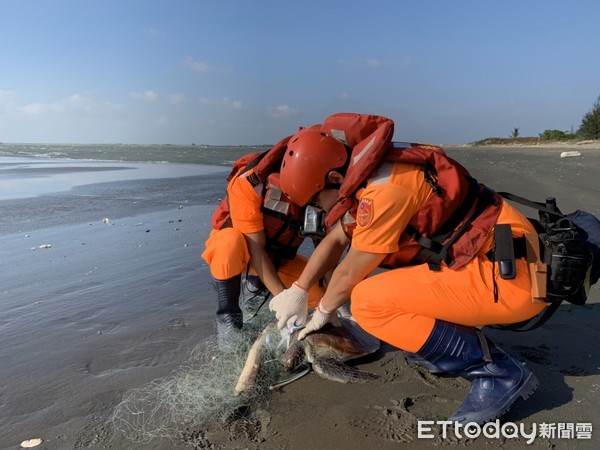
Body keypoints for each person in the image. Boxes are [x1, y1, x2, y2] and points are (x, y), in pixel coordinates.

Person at [269, 112, 548, 425]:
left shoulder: (384, 192)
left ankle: (496, 371)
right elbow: (336, 239)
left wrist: (321, 312)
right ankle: (445, 347)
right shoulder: (374, 171)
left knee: (367, 302)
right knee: (391, 289)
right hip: (499, 258)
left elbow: (349, 272)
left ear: (334, 179)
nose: (320, 210)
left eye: (318, 201)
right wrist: (299, 289)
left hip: (512, 279)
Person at [201, 130, 346, 350]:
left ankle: (258, 286)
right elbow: (256, 250)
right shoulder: (249, 183)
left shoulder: (322, 187)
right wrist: (284, 299)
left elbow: (325, 247)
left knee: (318, 300)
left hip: (280, 259)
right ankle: (228, 316)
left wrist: (331, 302)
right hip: (245, 255)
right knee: (229, 242)